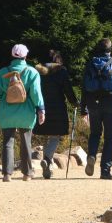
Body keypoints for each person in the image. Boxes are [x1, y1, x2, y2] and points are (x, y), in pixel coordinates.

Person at [0, 44, 45, 181]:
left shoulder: (3, 72)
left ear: (12, 55)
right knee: (26, 142)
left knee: (7, 142)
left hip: (7, 112)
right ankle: (27, 173)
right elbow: (36, 94)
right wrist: (41, 109)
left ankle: (6, 174)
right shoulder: (32, 72)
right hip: (26, 112)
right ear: (25, 56)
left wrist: (3, 100)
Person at [80, 38, 112, 180]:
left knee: (95, 133)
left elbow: (84, 87)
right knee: (109, 137)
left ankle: (91, 156)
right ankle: (105, 171)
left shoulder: (90, 64)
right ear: (110, 50)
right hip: (110, 104)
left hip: (93, 104)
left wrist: (83, 108)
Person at [34, 49, 80, 179]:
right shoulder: (61, 72)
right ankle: (48, 159)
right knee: (55, 136)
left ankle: (47, 164)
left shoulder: (38, 72)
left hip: (41, 107)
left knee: (45, 135)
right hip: (58, 108)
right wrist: (75, 103)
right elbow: (68, 90)